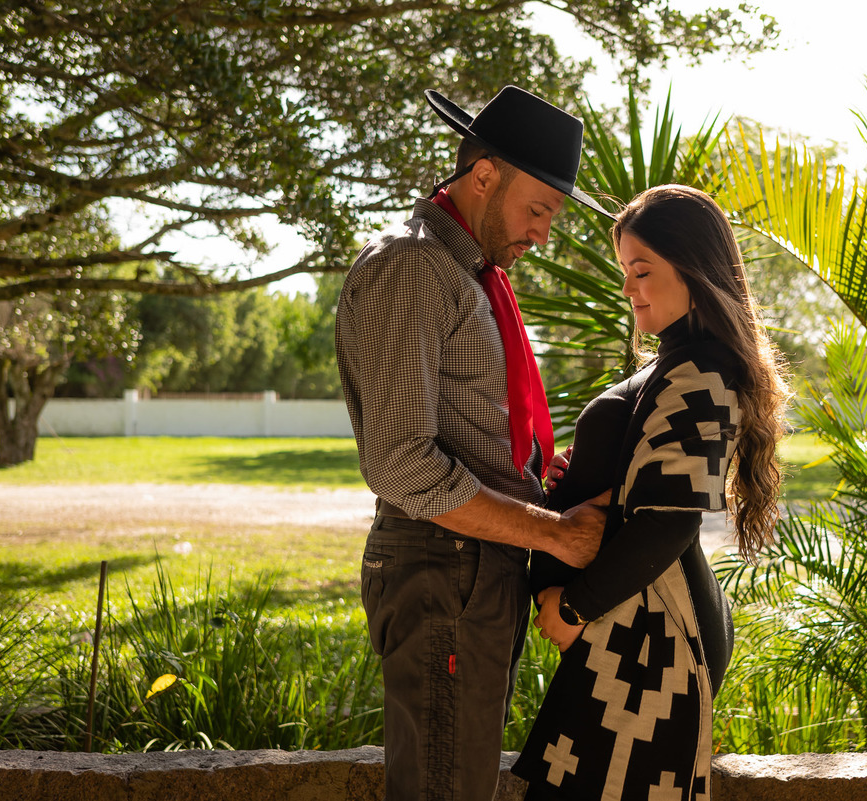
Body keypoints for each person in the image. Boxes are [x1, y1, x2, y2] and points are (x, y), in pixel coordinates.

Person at [335, 85, 614, 801]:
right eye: (538, 210)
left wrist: (526, 470)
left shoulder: (465, 274)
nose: (542, 234)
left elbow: (458, 425)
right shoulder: (414, 266)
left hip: (467, 569)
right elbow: (402, 463)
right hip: (443, 568)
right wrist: (552, 531)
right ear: (484, 174)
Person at [512, 185, 791, 799]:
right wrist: (582, 479)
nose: (628, 288)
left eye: (643, 270)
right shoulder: (681, 363)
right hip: (637, 627)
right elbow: (650, 487)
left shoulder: (700, 371)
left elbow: (669, 522)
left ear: (693, 269)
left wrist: (575, 607)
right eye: (624, 272)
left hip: (649, 640)